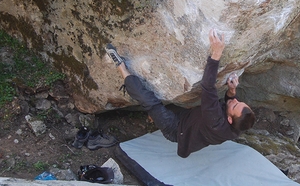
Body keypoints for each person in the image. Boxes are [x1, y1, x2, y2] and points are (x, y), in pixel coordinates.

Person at [105, 29, 255, 158]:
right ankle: (154, 117)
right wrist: (232, 91)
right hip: (188, 117)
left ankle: (121, 67)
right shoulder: (238, 125)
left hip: (175, 129)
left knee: (151, 102)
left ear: (228, 119)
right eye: (238, 101)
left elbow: (208, 87)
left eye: (235, 104)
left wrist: (217, 53)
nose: (235, 100)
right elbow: (231, 105)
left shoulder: (215, 121)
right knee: (164, 109)